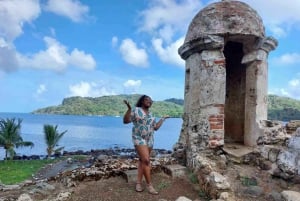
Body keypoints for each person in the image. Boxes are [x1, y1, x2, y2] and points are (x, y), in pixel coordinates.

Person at [123, 95, 169, 195]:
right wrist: (129, 109)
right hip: (139, 138)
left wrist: (163, 119)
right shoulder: (136, 110)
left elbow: (155, 128)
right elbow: (125, 121)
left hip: (150, 140)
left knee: (142, 161)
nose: (149, 101)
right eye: (147, 99)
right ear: (142, 101)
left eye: (151, 100)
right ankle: (149, 185)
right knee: (147, 161)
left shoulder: (152, 115)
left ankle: (138, 183)